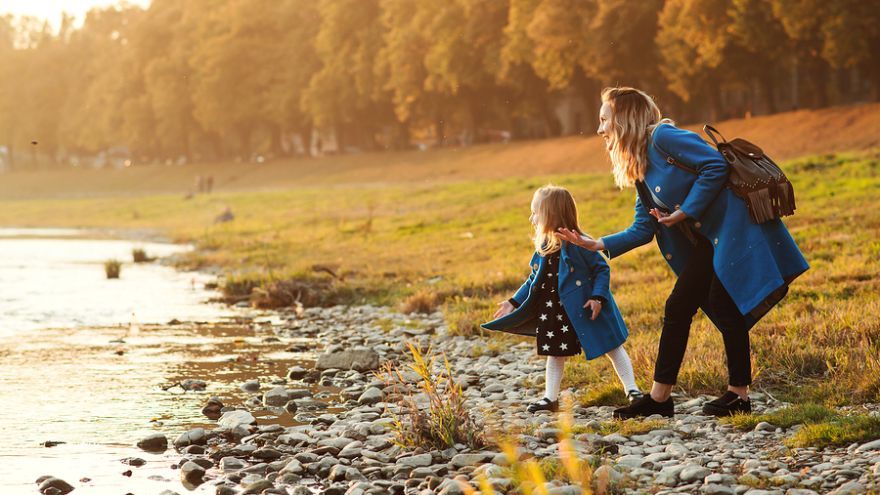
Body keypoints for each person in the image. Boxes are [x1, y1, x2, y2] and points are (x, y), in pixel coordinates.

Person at [557, 87, 809, 419]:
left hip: (735, 227)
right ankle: (661, 400)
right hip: (711, 239)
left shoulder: (664, 137)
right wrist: (597, 244)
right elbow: (643, 228)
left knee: (722, 303)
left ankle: (739, 395)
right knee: (678, 306)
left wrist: (685, 212)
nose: (600, 129)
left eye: (604, 120)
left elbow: (715, 165)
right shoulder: (642, 166)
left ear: (624, 119)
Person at [483, 185, 643, 413]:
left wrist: (598, 297)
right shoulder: (544, 247)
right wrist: (513, 302)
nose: (532, 217)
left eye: (535, 212)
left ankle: (632, 390)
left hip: (585, 307)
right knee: (554, 353)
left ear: (550, 214)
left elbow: (601, 270)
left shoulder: (580, 242)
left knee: (612, 346)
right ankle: (550, 398)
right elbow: (533, 280)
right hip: (555, 311)